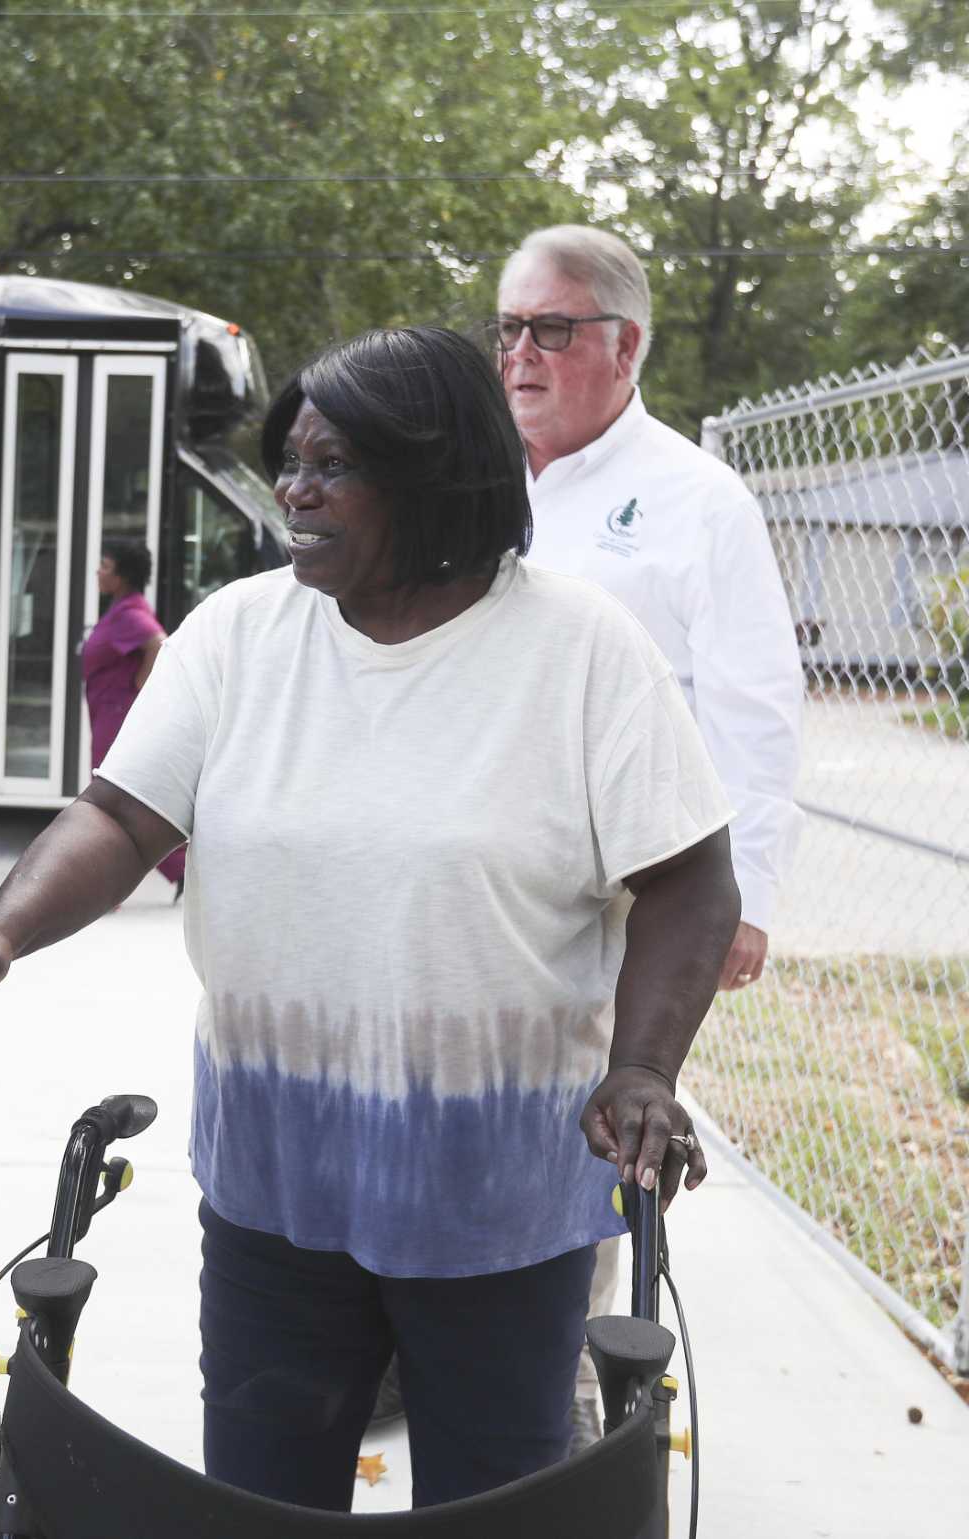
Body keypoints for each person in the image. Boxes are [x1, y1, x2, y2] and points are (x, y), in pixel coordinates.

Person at [0, 326, 738, 1512]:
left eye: (332, 468)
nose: (294, 494)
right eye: (290, 463)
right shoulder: (236, 634)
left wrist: (641, 1070)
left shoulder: (579, 653)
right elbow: (118, 818)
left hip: (498, 1202)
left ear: (436, 480)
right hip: (276, 1186)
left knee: (490, 1504)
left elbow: (689, 878)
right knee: (262, 1500)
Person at [497, 223, 803, 1445]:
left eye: (550, 330)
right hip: (488, 875)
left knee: (596, 1119)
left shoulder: (694, 500)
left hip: (638, 888)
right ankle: (430, 1345)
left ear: (622, 346)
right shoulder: (479, 479)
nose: (519, 354)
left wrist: (748, 894)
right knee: (478, 1103)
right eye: (508, 328)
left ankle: (569, 1385)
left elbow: (752, 706)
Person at [81, 540, 183, 894]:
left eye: (106, 566)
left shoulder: (130, 613)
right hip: (107, 712)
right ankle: (179, 871)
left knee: (112, 801)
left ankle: (110, 883)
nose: (99, 571)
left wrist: (143, 682)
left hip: (117, 715)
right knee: (122, 801)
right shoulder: (121, 607)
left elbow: (158, 642)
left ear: (122, 576)